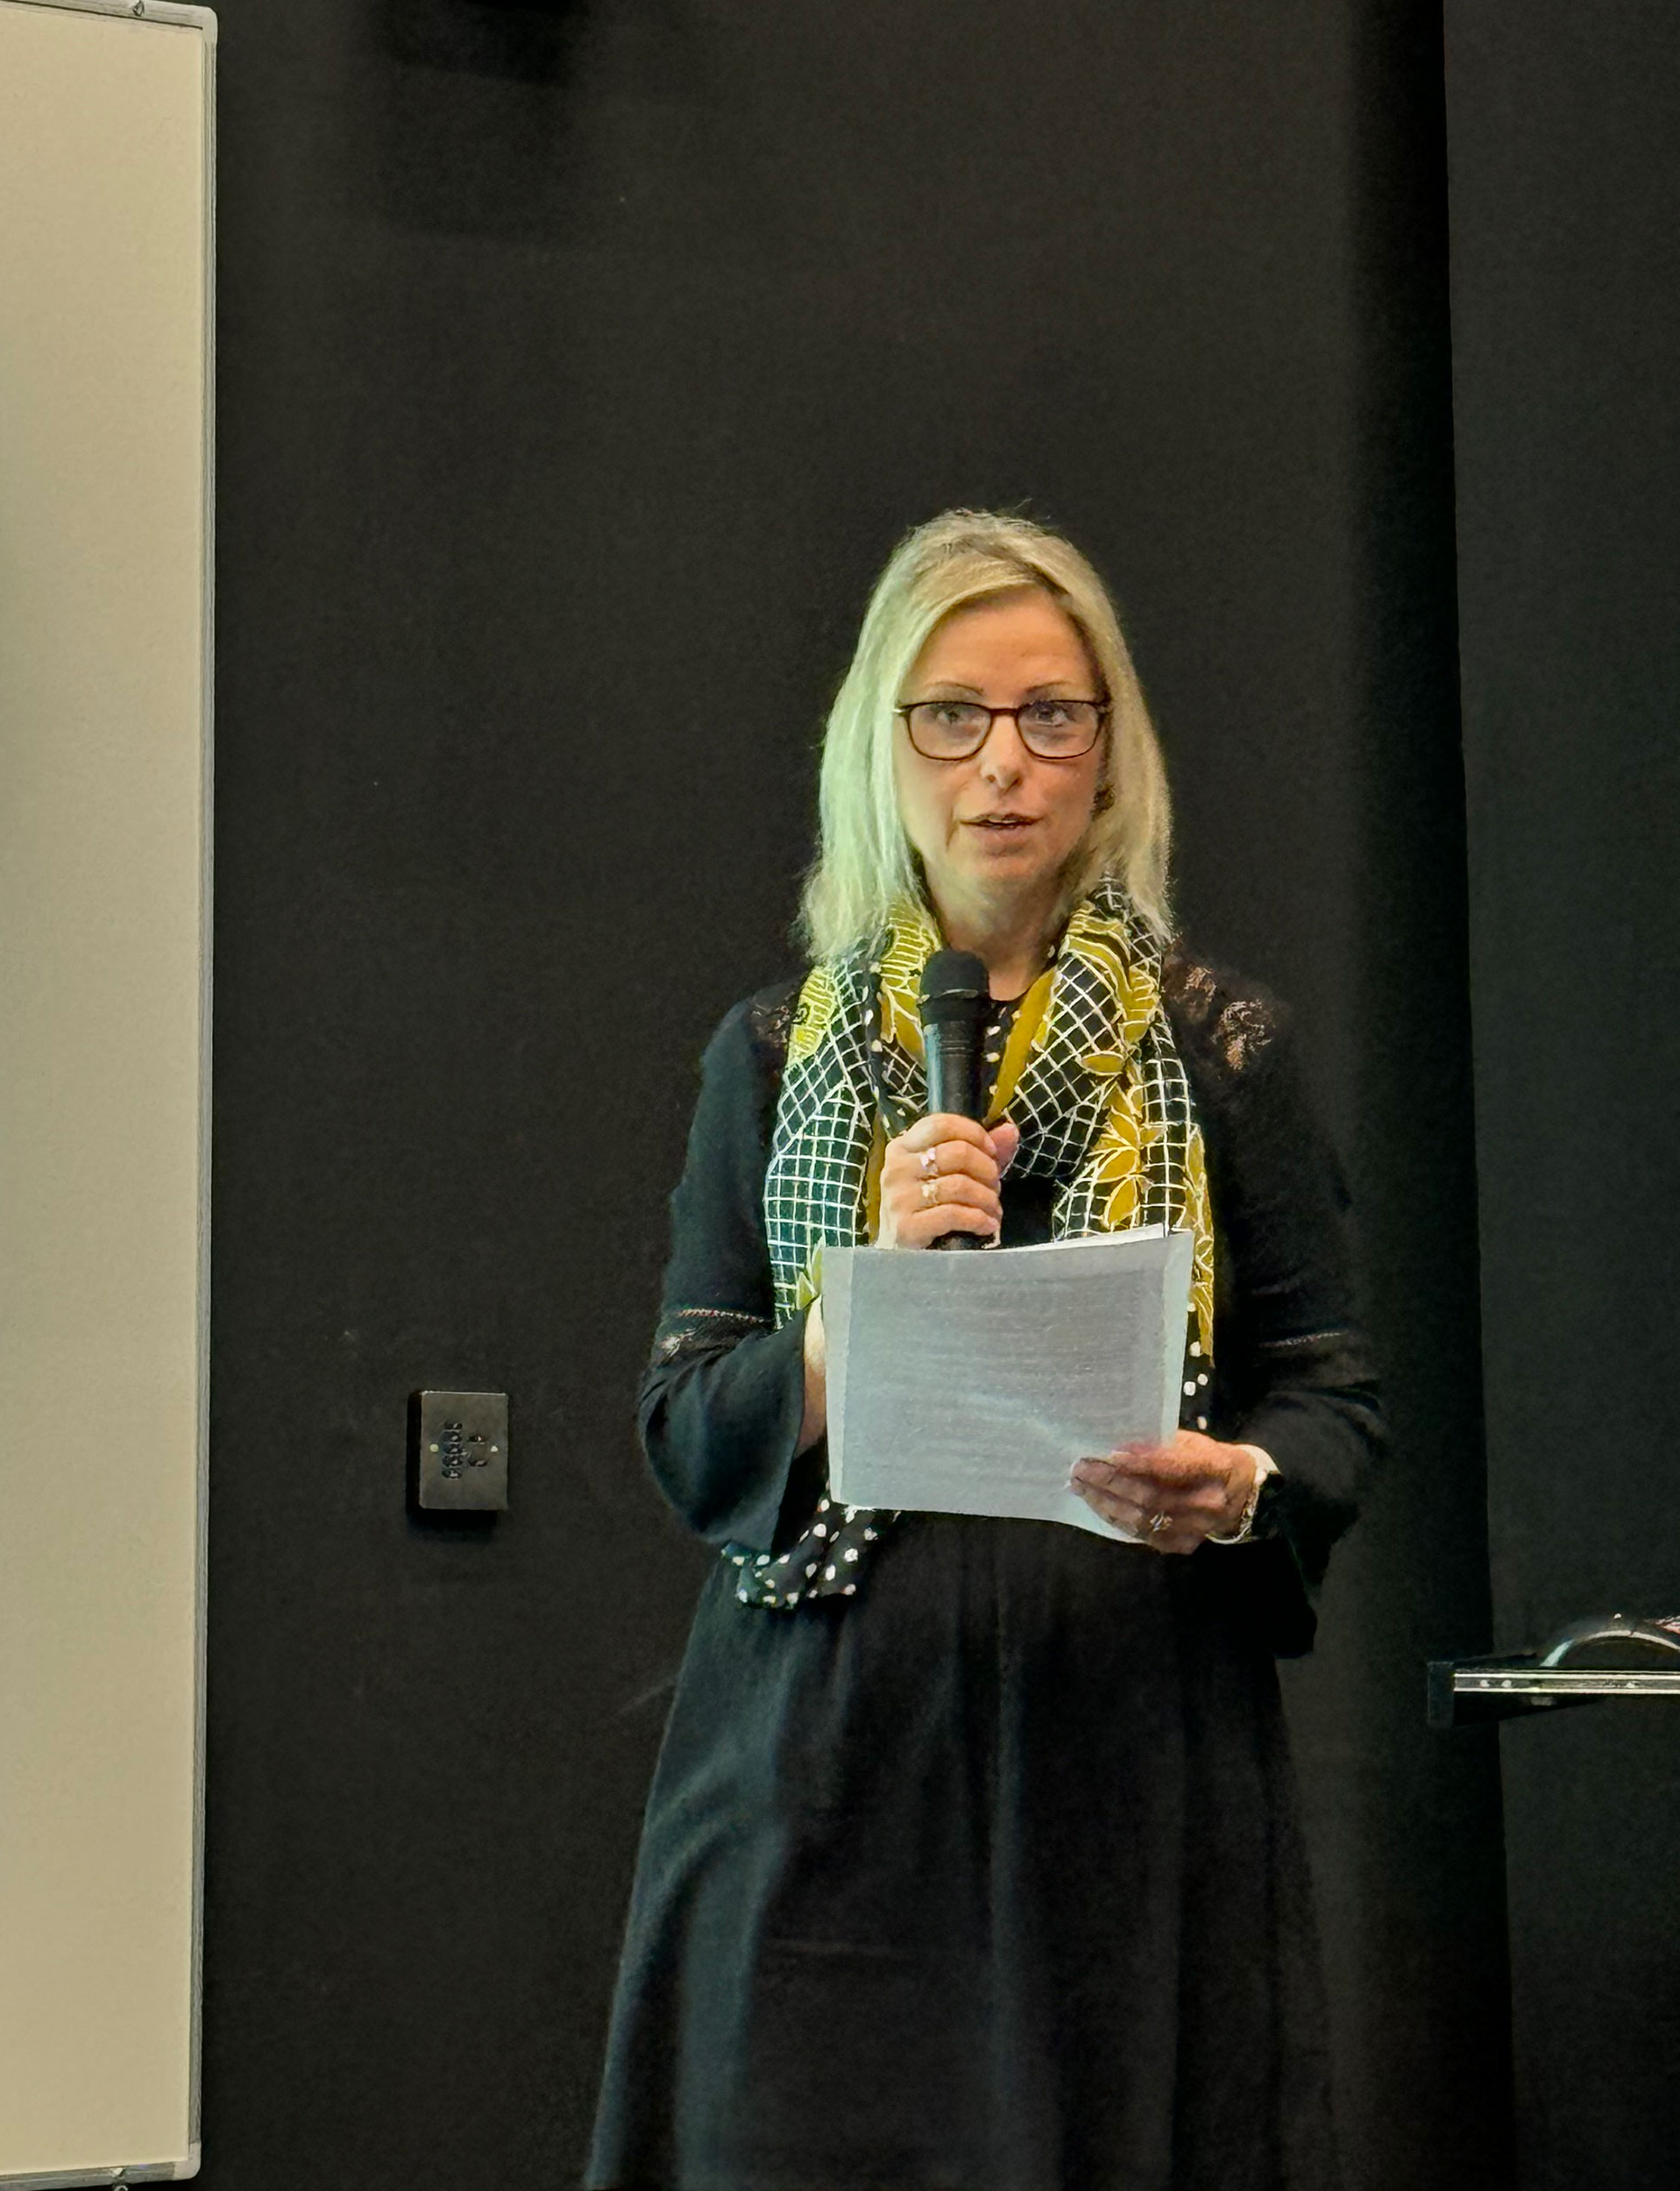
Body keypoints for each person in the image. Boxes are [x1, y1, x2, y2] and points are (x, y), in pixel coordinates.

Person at [585, 510, 1383, 2191]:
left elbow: (1334, 1397)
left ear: (1109, 754)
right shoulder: (773, 1052)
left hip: (1125, 1770)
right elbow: (686, 1422)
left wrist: (1242, 1484)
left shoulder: (1221, 1046)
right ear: (882, 747)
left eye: (1050, 715)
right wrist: (854, 1303)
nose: (1000, 764)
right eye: (949, 714)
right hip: (821, 1782)